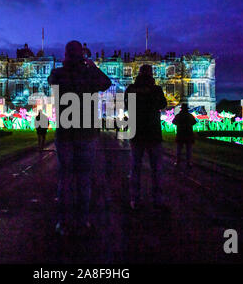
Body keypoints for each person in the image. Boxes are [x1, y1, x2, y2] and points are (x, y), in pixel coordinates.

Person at [48, 40, 111, 235]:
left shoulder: (58, 73)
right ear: (82, 56)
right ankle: (83, 221)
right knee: (84, 179)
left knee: (66, 179)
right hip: (87, 132)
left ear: (66, 54)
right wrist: (92, 66)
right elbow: (106, 83)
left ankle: (64, 223)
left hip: (66, 132)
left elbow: (51, 80)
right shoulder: (89, 73)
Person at [125, 64, 167, 210]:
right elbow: (163, 104)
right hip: (153, 133)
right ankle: (158, 199)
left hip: (137, 132)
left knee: (135, 167)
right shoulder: (156, 89)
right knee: (156, 168)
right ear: (151, 74)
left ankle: (135, 199)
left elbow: (127, 106)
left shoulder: (131, 89)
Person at [172, 103, 197, 168]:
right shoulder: (190, 115)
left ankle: (178, 162)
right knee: (188, 150)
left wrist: (179, 125)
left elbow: (173, 122)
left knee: (179, 149)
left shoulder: (178, 116)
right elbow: (194, 122)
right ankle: (188, 162)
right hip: (188, 134)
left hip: (180, 134)